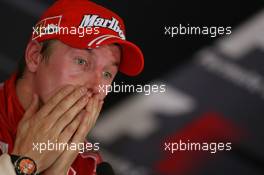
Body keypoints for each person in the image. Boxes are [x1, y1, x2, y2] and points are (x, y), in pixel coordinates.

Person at [0, 0, 144, 174]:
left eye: (107, 74)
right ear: (34, 57)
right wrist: (24, 163)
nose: (96, 87)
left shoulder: (91, 167)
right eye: (82, 61)